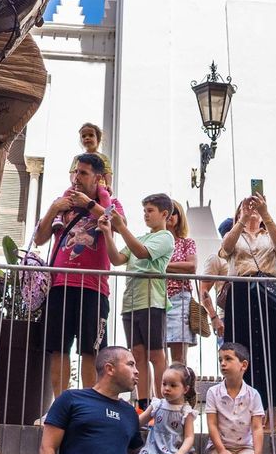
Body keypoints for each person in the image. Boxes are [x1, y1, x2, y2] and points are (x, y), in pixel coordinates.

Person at [34, 153, 124, 407]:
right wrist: (54, 208)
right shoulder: (61, 203)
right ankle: (60, 405)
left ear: (98, 178)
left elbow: (119, 225)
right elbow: (40, 238)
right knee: (58, 348)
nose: (77, 178)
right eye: (75, 172)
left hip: (93, 287)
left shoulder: (110, 203)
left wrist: (89, 205)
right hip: (60, 285)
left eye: (83, 173)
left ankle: (89, 407)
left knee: (90, 350)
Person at [217, 195, 276, 417]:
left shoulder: (269, 232)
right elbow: (226, 248)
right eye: (246, 208)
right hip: (241, 292)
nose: (252, 210)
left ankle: (272, 415)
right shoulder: (234, 233)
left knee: (272, 348)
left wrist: (265, 213)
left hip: (268, 292)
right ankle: (242, 411)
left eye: (256, 208)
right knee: (240, 347)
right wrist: (242, 219)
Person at [110, 194, 176, 408]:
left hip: (152, 301)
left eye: (150, 210)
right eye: (145, 211)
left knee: (156, 354)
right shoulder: (139, 237)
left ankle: (162, 402)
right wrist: (107, 232)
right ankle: (144, 404)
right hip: (131, 302)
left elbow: (141, 252)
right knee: (137, 355)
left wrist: (121, 227)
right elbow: (116, 259)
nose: (146, 215)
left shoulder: (165, 237)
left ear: (164, 214)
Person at [163, 200, 198, 365]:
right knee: (158, 356)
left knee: (178, 358)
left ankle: (180, 382)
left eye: (173, 212)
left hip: (179, 298)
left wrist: (161, 266)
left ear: (179, 216)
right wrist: (177, 268)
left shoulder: (186, 242)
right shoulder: (154, 243)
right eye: (165, 212)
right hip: (157, 299)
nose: (169, 216)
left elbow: (191, 267)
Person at [77, 122, 112, 187]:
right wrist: (74, 182)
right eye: (83, 136)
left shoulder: (103, 158)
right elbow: (73, 173)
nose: (87, 138)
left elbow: (107, 173)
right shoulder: (78, 158)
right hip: (81, 186)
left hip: (99, 187)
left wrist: (108, 185)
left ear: (98, 139)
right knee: (68, 192)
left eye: (91, 135)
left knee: (104, 193)